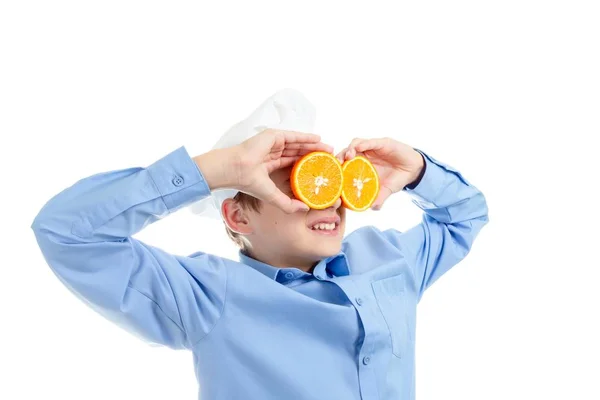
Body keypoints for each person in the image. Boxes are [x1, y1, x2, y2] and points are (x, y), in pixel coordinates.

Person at [30, 105, 489, 400]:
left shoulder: (387, 256)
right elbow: (66, 233)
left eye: (326, 177)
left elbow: (466, 214)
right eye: (298, 182)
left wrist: (418, 172)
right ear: (238, 217)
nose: (327, 197)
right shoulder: (206, 295)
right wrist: (216, 169)